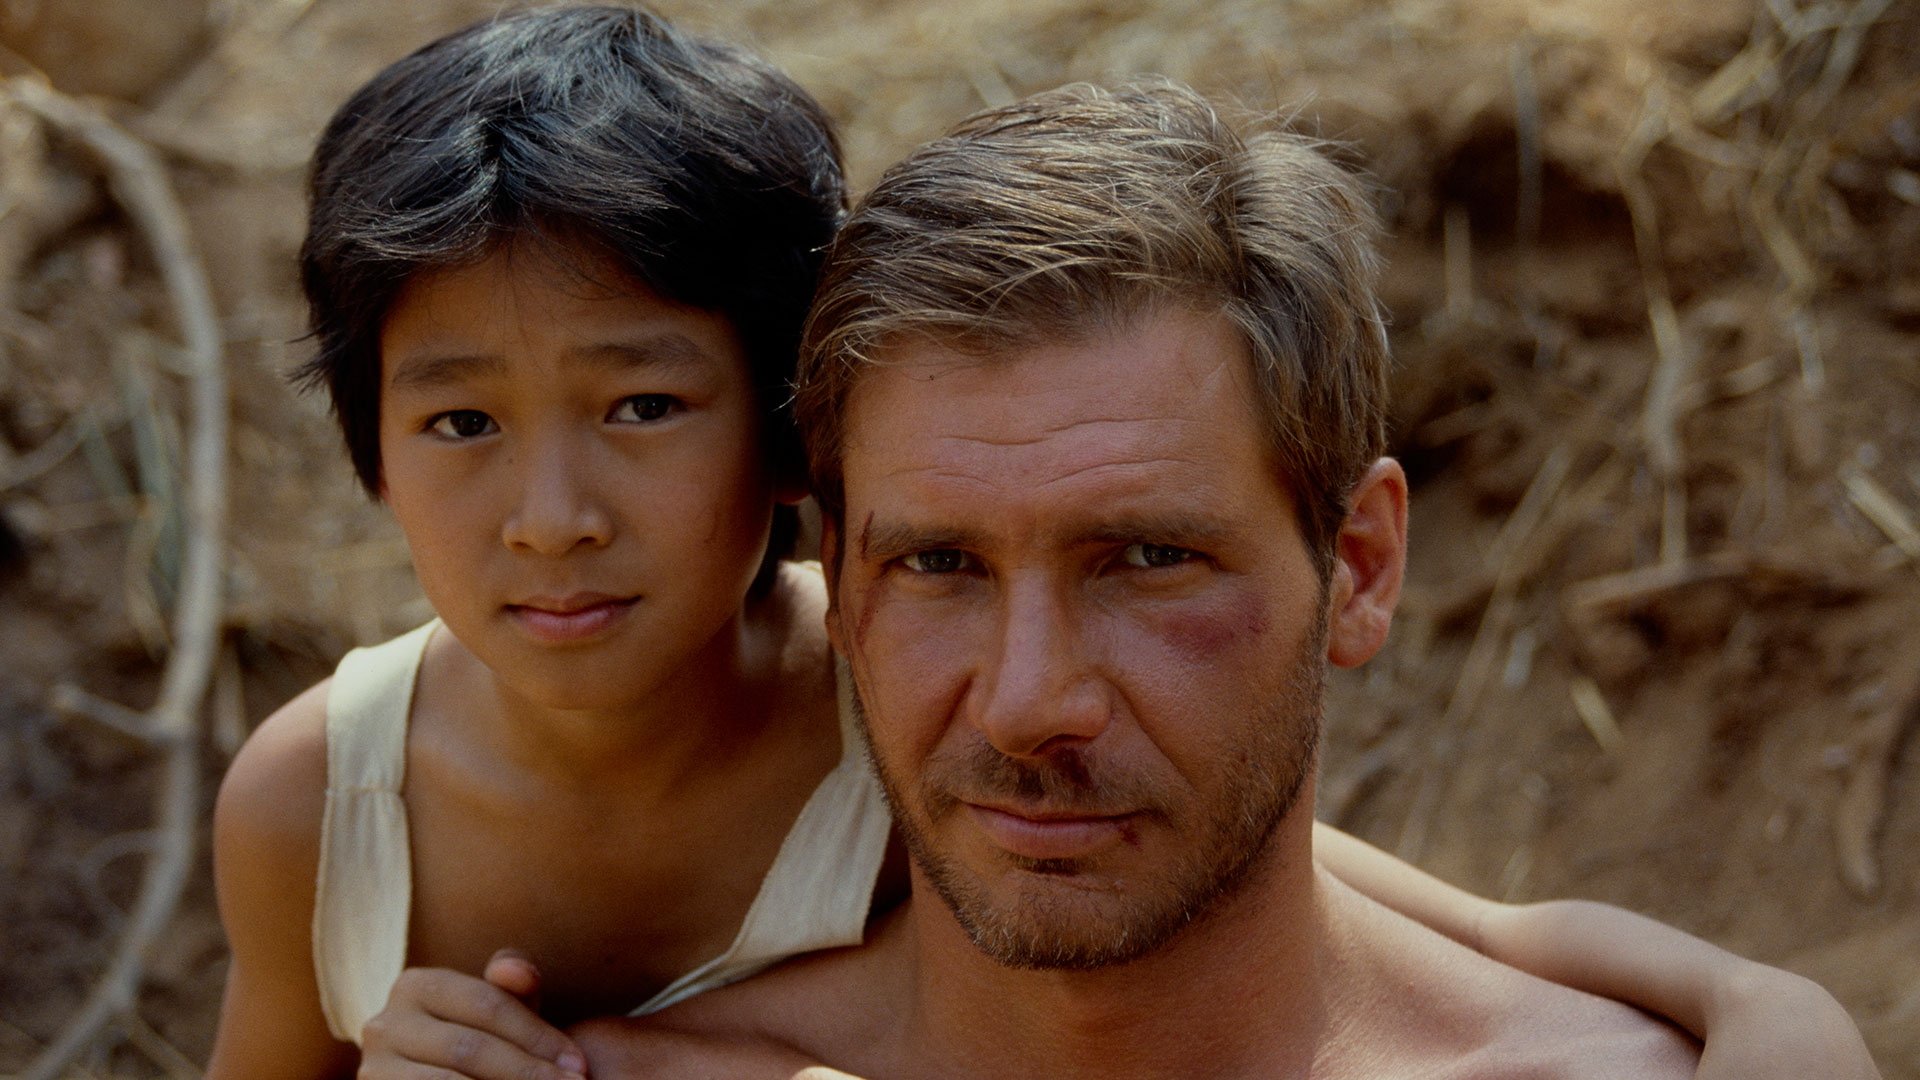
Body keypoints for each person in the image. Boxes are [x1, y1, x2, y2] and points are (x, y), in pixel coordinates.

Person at [210, 8, 1875, 1080]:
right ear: (856, 563)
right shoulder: (340, 816)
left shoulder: (851, 714)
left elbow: (1467, 930)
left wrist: (1770, 1012)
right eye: (936, 566)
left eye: (1145, 559)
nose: (1026, 703)